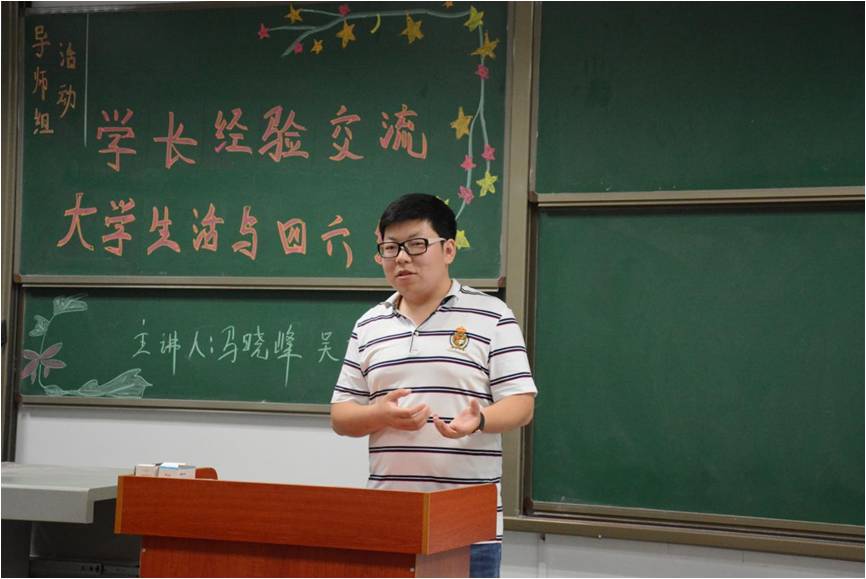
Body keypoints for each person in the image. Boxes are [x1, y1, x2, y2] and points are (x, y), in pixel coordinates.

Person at [330, 193, 537, 578]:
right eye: (390, 247)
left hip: (467, 526)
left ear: (449, 250)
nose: (401, 258)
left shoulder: (492, 316)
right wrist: (379, 414)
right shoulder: (369, 325)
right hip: (389, 520)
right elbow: (341, 416)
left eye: (416, 244)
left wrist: (479, 421)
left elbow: (521, 404)